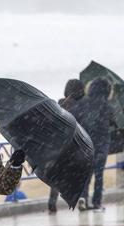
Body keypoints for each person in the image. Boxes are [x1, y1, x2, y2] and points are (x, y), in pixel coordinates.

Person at [72, 77, 114, 211]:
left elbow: (74, 119)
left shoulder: (83, 103)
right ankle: (97, 203)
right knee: (99, 174)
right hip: (102, 144)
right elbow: (113, 123)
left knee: (86, 174)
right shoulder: (107, 106)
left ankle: (83, 198)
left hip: (86, 143)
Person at [48, 79, 85, 214]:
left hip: (58, 145)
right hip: (74, 146)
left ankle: (52, 203)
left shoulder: (59, 103)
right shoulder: (80, 107)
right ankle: (80, 199)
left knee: (56, 177)